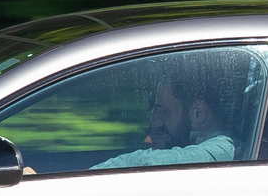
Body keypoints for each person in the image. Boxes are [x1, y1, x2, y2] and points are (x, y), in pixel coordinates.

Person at [93, 62, 243, 168]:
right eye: (154, 111)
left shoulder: (222, 149)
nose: (156, 123)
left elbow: (148, 162)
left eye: (164, 111)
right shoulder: (201, 147)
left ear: (198, 112)